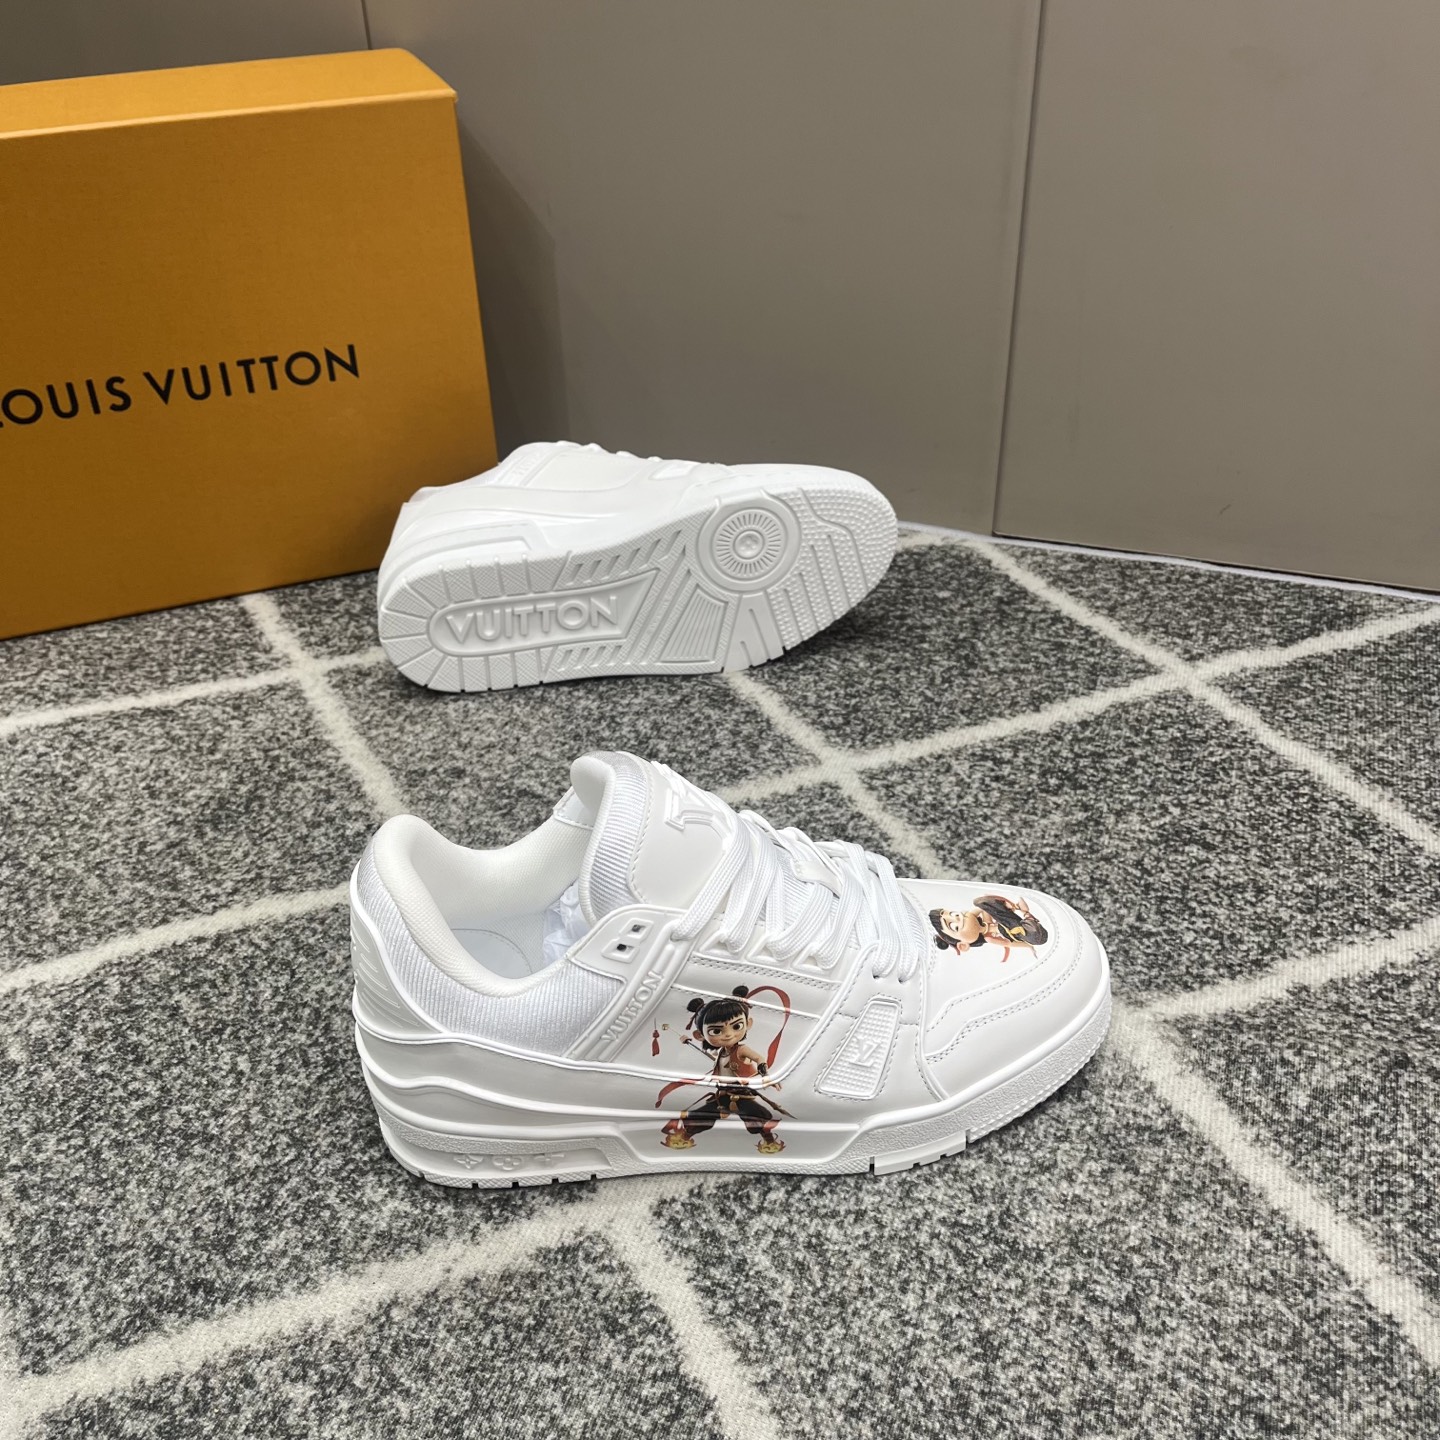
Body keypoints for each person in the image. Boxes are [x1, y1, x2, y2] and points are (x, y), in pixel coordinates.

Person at [930, 894, 1048, 962]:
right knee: (1036, 937)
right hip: (1013, 931)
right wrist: (1028, 945)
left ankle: (1020, 909)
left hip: (1006, 919)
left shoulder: (985, 920)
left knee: (980, 901)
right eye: (955, 927)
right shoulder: (989, 938)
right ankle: (1027, 916)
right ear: (963, 945)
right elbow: (1008, 943)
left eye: (954, 914)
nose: (958, 917)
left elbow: (981, 908)